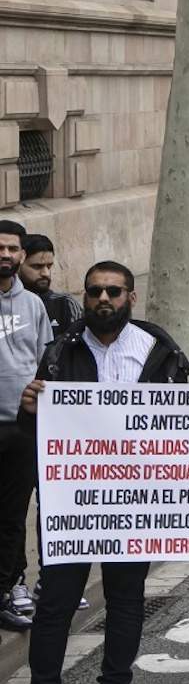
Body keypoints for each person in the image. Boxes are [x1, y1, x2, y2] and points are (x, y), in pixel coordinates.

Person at [14, 261, 189, 684]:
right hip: (71, 503)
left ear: (131, 297)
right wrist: (29, 411)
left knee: (125, 599)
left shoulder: (159, 352)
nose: (103, 299)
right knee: (56, 603)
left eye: (114, 291)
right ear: (86, 297)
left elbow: (181, 428)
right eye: (95, 291)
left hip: (133, 502)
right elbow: (40, 432)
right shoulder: (60, 353)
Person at [0, 221, 51, 635]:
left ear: (21, 254)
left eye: (12, 249)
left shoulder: (33, 304)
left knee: (13, 516)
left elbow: (43, 362)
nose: (6, 255)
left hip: (21, 429)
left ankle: (8, 589)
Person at [18, 233, 78, 340]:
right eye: (37, 266)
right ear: (18, 265)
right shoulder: (8, 304)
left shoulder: (65, 303)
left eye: (49, 266)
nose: (45, 273)